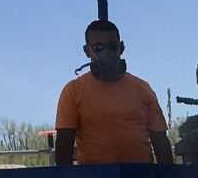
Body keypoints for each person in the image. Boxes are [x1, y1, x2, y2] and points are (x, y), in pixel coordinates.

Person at [54, 20, 173, 167]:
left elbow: (160, 141)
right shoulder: (73, 91)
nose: (106, 53)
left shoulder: (142, 89)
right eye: (98, 47)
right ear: (87, 51)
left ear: (121, 48)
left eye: (112, 46)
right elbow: (64, 144)